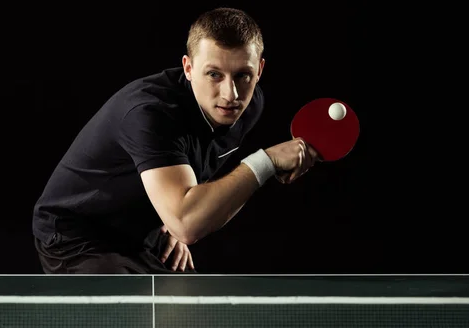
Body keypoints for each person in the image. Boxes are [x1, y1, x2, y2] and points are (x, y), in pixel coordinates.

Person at [32, 7, 318, 274]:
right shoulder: (150, 114)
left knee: (185, 316)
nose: (230, 94)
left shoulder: (250, 105)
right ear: (188, 68)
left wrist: (171, 216)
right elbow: (188, 225)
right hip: (76, 235)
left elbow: (192, 174)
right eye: (214, 74)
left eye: (242, 75)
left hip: (142, 229)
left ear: (259, 70)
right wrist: (264, 162)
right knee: (129, 319)